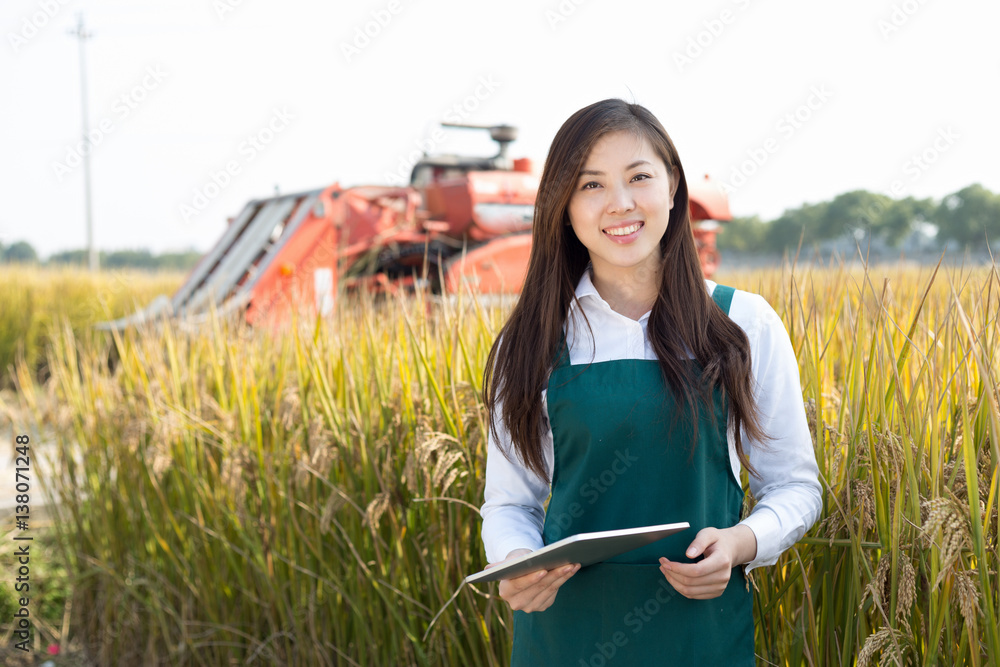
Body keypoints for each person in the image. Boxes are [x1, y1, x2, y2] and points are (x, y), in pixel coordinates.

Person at [479, 98, 822, 665]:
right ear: (563, 205)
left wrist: (740, 544)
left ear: (673, 186)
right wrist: (519, 560)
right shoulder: (533, 340)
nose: (620, 203)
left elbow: (795, 486)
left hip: (700, 633)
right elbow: (509, 503)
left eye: (639, 177)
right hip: (566, 636)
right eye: (591, 185)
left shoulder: (743, 324)